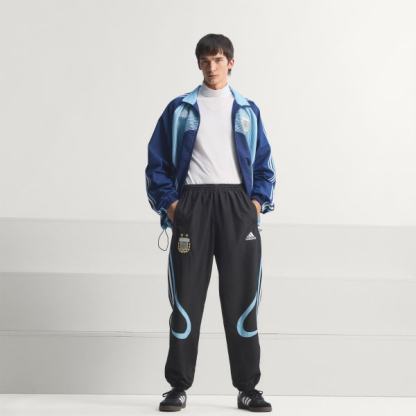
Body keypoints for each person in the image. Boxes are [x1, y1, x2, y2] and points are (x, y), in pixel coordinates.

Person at [145, 33, 276, 412]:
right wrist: (173, 207)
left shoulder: (247, 110)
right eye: (205, 60)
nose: (211, 66)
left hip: (237, 207)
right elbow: (156, 164)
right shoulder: (180, 109)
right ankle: (177, 386)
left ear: (230, 62)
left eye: (218, 59)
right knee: (185, 301)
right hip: (193, 206)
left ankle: (248, 388)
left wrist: (254, 205)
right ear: (198, 64)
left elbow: (265, 165)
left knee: (242, 300)